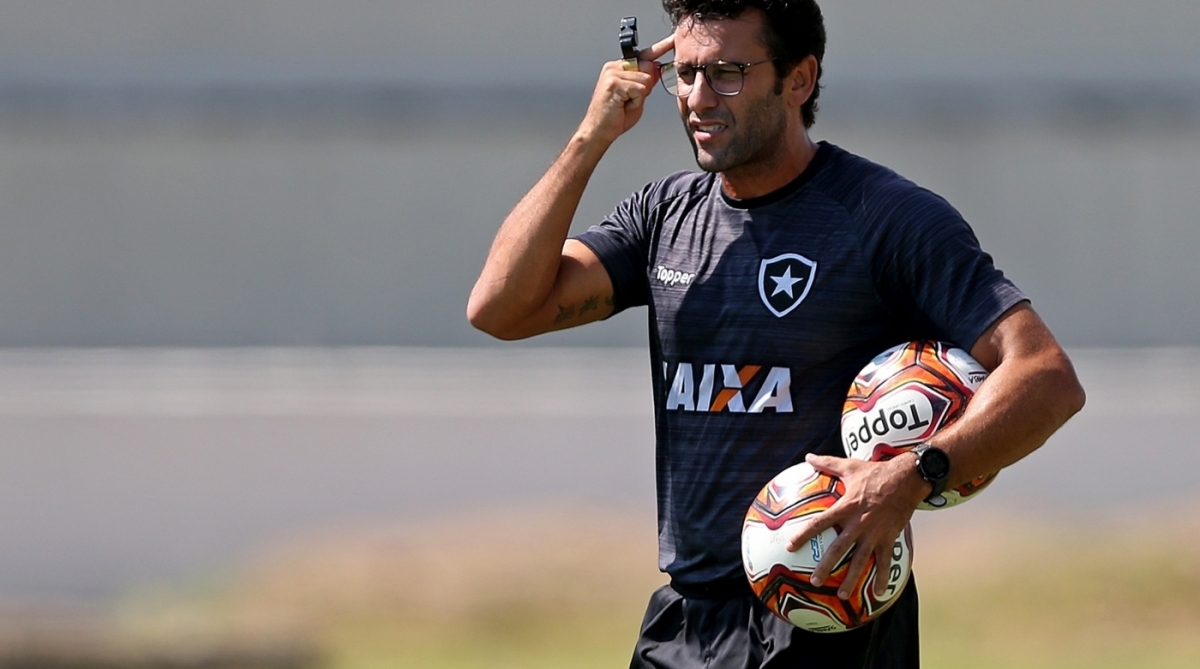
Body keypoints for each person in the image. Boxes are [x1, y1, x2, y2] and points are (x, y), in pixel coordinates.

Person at [467, 1, 1086, 667]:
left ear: (799, 79)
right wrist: (590, 136)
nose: (698, 98)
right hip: (685, 622)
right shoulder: (663, 217)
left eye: (728, 73)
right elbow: (500, 308)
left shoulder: (885, 218)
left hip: (829, 617)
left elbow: (1046, 376)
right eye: (687, 72)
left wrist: (915, 473)